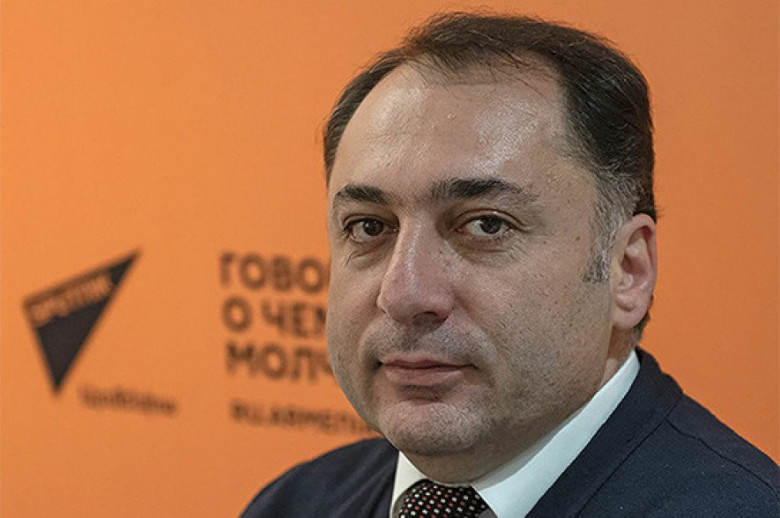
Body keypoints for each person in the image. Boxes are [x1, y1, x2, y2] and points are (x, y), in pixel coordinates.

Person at [242, 12, 778, 517]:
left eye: (485, 225)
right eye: (369, 227)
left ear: (627, 270)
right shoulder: (296, 503)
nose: (403, 293)